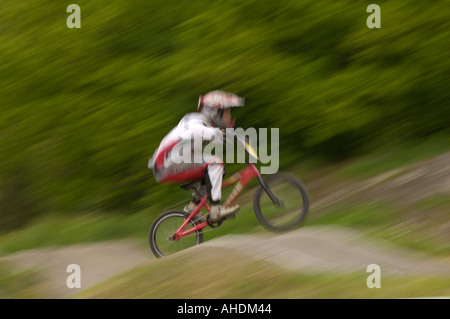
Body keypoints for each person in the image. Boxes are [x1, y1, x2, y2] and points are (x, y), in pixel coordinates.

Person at [148, 90, 245, 222]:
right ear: (214, 112)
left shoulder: (207, 125)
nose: (228, 117)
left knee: (217, 171)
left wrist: (242, 140)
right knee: (215, 162)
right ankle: (216, 210)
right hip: (165, 167)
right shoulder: (194, 121)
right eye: (226, 113)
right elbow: (203, 131)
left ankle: (192, 207)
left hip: (174, 164)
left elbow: (218, 136)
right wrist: (224, 134)